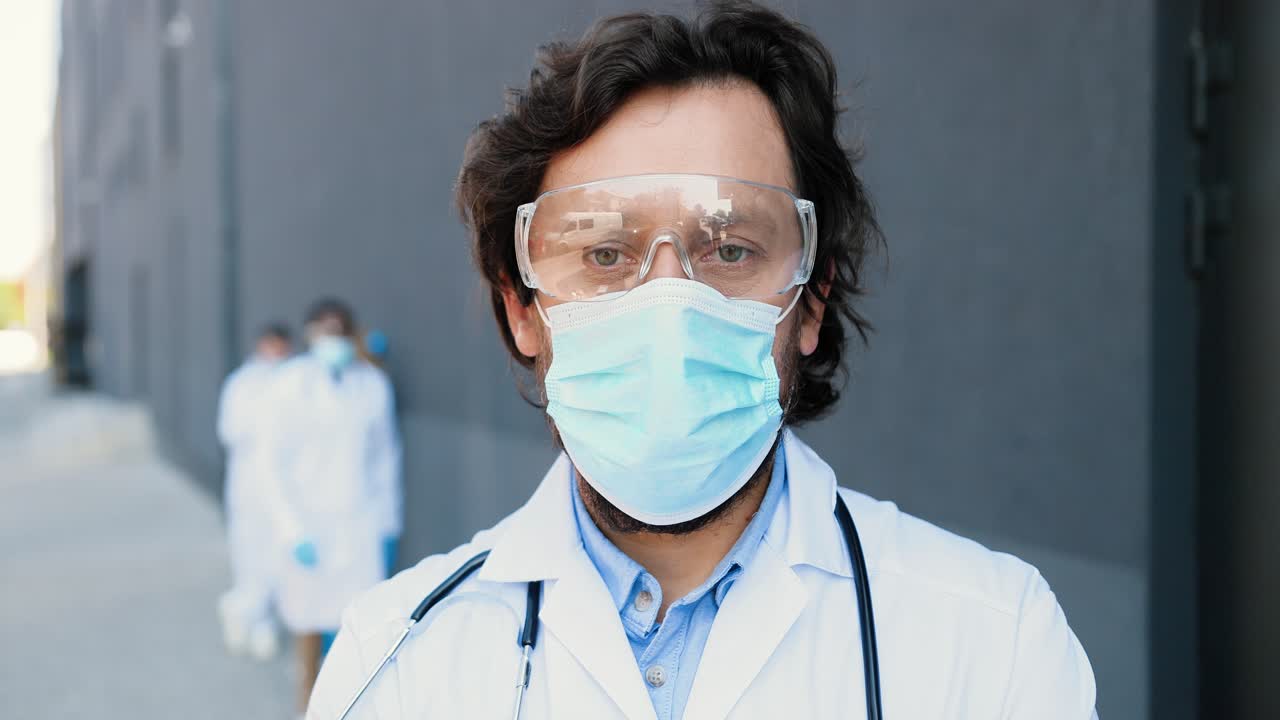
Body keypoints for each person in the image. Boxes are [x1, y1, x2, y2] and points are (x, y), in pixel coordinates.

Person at [308, 3, 1097, 718]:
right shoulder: (395, 664)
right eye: (606, 251)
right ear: (525, 309)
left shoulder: (994, 647)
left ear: (809, 301)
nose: (668, 306)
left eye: (728, 248)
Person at [263, 298, 402, 713]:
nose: (333, 339)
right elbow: (271, 465)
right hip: (308, 526)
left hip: (359, 525)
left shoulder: (372, 385)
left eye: (340, 330)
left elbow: (386, 459)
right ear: (309, 335)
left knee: (360, 633)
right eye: (324, 330)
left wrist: (388, 524)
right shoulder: (288, 384)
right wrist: (292, 531)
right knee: (308, 635)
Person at [216, 323, 292, 660]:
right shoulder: (242, 384)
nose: (275, 354)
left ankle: (264, 621)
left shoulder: (293, 382)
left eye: (281, 347)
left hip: (283, 487)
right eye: (271, 346)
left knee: (278, 557)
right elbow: (231, 431)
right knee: (249, 554)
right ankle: (242, 612)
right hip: (248, 486)